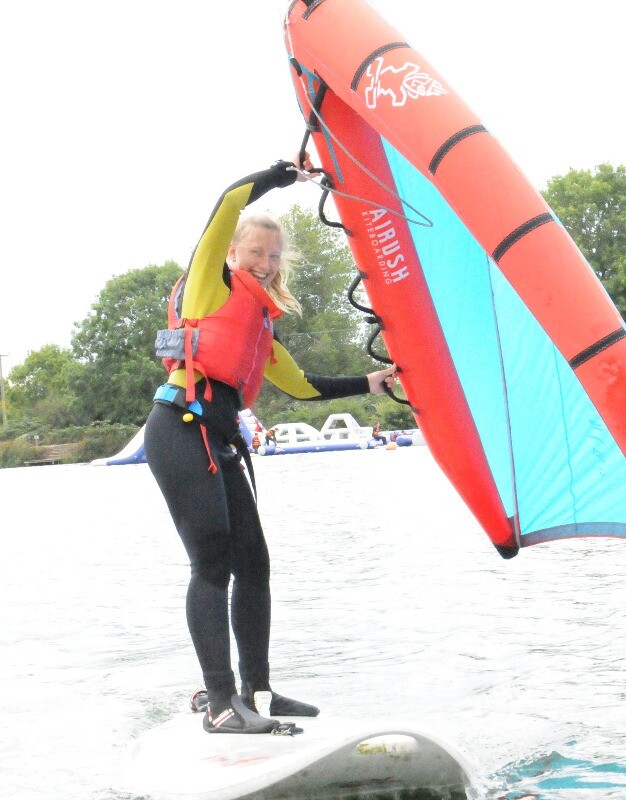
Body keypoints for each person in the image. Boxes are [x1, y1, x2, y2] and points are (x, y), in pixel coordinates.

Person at [144, 156, 396, 734]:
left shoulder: (259, 323)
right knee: (212, 564)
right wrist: (286, 173)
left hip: (219, 436)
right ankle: (218, 703)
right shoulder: (210, 283)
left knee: (254, 566)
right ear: (232, 254)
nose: (263, 261)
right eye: (254, 252)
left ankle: (257, 690)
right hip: (180, 429)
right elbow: (230, 201)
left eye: (273, 255)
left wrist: (370, 383)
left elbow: (301, 385)